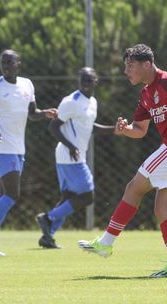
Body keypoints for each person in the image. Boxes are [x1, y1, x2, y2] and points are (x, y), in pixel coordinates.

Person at [77, 44, 167, 277]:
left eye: (130, 66)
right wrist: (124, 129)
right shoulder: (146, 93)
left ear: (146, 64)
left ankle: (107, 242)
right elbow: (139, 130)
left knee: (134, 187)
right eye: (125, 66)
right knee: (162, 208)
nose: (126, 71)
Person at [0, 49, 57, 256]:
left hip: (18, 147)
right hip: (2, 147)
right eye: (3, 63)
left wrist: (44, 114)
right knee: (11, 194)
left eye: (10, 62)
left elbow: (32, 113)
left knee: (4, 194)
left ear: (19, 64)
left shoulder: (27, 84)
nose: (6, 66)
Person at [35, 67, 114, 249]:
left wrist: (114, 130)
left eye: (89, 80)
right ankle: (48, 218)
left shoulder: (92, 101)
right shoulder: (71, 101)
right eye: (82, 80)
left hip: (74, 155)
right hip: (69, 156)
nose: (86, 83)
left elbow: (89, 127)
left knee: (68, 197)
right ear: (79, 82)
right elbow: (53, 127)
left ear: (96, 81)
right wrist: (71, 146)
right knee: (87, 195)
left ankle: (48, 236)